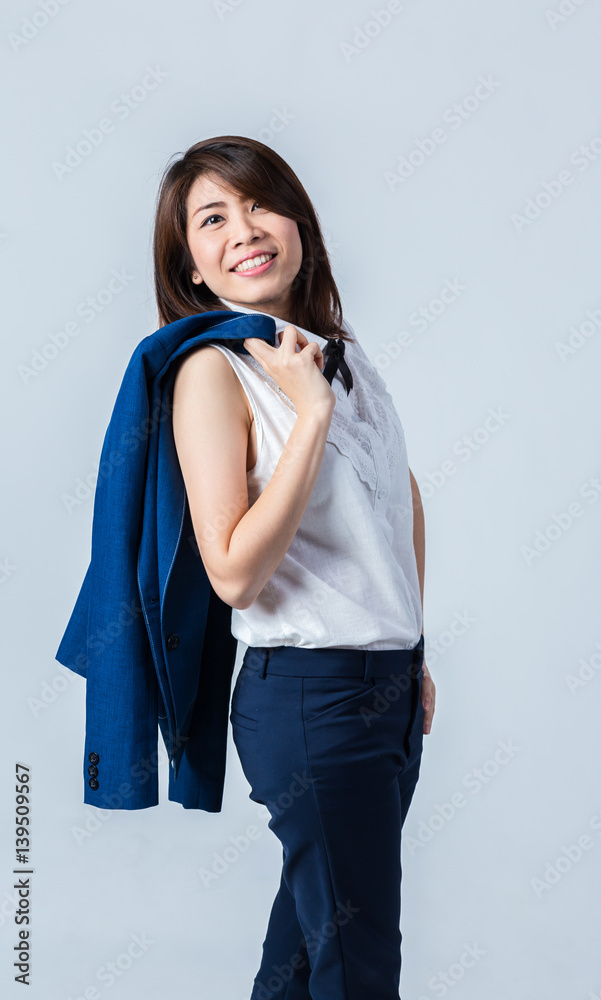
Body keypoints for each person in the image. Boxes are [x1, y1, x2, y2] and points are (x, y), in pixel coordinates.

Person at [153, 135, 436, 1000]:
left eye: (259, 203)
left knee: (308, 958)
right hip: (311, 699)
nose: (244, 228)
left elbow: (401, 498)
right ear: (192, 267)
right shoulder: (214, 372)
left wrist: (412, 647)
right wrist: (306, 418)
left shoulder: (336, 355)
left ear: (298, 223)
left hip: (381, 689)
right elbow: (234, 573)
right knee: (358, 970)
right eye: (212, 218)